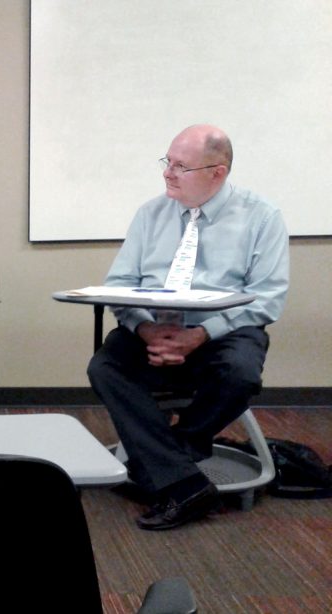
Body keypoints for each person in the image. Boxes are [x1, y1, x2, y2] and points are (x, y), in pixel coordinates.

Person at [87, 125, 290, 530]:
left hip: (222, 332)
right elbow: (118, 286)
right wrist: (145, 330)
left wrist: (201, 334)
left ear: (218, 171)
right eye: (167, 162)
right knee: (104, 367)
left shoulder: (262, 217)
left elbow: (268, 297)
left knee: (240, 373)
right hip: (152, 328)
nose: (168, 173)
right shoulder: (151, 213)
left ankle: (173, 459)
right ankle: (185, 481)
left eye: (181, 166)